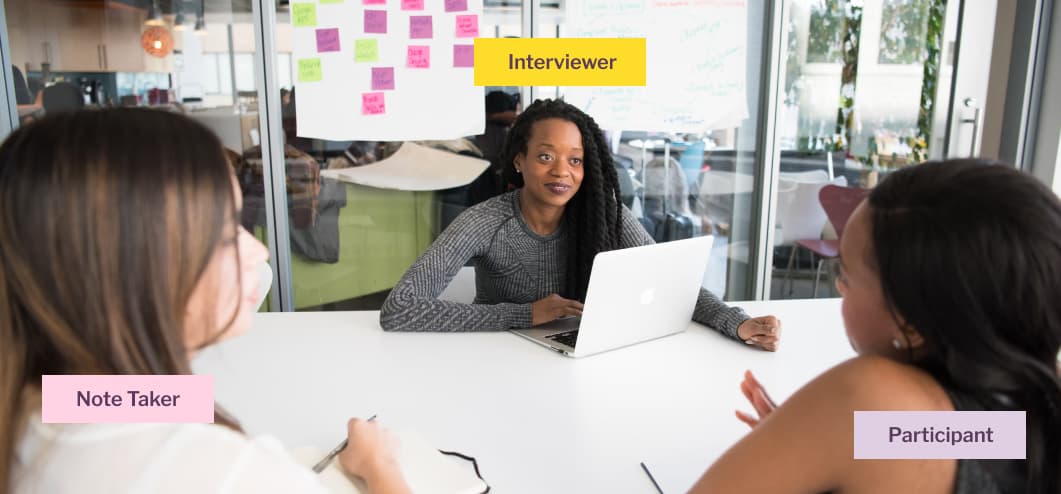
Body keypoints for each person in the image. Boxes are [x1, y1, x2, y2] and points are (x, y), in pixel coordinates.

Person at [0, 109, 411, 494]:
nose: (258, 251)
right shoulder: (226, 474)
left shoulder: (33, 404)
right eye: (225, 235)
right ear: (135, 269)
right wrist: (380, 465)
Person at [689, 160, 1060, 493]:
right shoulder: (1037, 401)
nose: (838, 286)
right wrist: (817, 443)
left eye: (845, 276)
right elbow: (971, 439)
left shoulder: (867, 397)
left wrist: (827, 428)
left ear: (912, 323)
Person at [380, 99, 781, 350]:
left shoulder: (603, 215)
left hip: (581, 358)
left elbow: (673, 285)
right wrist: (523, 314)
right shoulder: (485, 222)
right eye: (545, 157)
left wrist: (737, 322)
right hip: (494, 362)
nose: (562, 172)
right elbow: (399, 310)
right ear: (519, 160)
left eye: (575, 160)